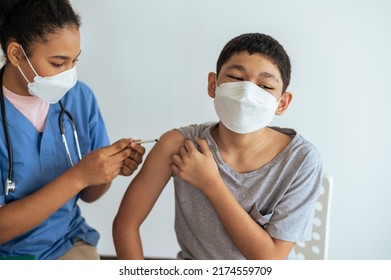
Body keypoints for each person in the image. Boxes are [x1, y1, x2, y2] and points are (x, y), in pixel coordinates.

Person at [113, 33, 323, 260]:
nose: (247, 93)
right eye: (235, 77)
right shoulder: (179, 145)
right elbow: (126, 225)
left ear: (282, 103)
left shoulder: (301, 159)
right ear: (213, 84)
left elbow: (270, 260)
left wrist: (210, 183)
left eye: (265, 85)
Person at [0, 0, 145, 260]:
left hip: (66, 243)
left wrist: (108, 171)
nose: (69, 75)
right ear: (16, 54)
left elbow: (90, 194)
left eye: (74, 61)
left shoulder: (80, 99)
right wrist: (78, 176)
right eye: (58, 63)